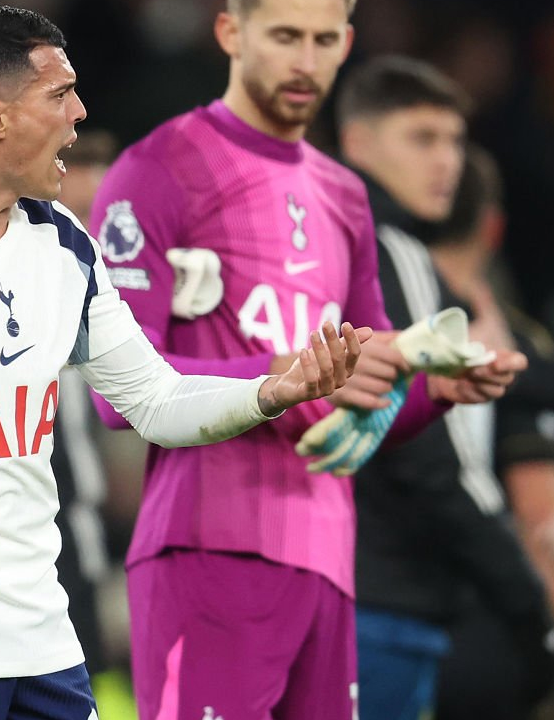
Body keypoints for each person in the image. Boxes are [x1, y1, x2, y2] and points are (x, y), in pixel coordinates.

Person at [0, 7, 368, 720]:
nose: (80, 114)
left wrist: (269, 391)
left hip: (44, 651)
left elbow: (154, 401)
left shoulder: (63, 245)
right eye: (59, 95)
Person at [88, 1, 526, 718]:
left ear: (347, 44)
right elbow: (115, 394)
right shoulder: (159, 168)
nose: (306, 61)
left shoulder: (344, 196)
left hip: (327, 562)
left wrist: (438, 387)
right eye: (285, 37)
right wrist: (277, 376)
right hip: (207, 548)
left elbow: (371, 389)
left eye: (324, 41)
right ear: (231, 32)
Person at [338, 58, 554, 720]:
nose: (448, 162)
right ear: (357, 143)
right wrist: (533, 617)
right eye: (423, 138)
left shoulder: (325, 244)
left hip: (346, 584)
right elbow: (433, 461)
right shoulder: (395, 252)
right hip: (388, 597)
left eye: (456, 141)